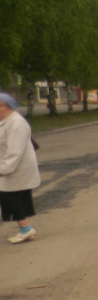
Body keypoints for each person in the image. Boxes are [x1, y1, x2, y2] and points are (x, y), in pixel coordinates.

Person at [0, 93, 41, 244]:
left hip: (16, 168)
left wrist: (3, 169)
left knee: (10, 197)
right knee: (17, 197)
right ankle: (25, 228)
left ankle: (25, 229)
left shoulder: (16, 123)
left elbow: (15, 151)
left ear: (3, 106)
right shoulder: (6, 120)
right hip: (14, 167)